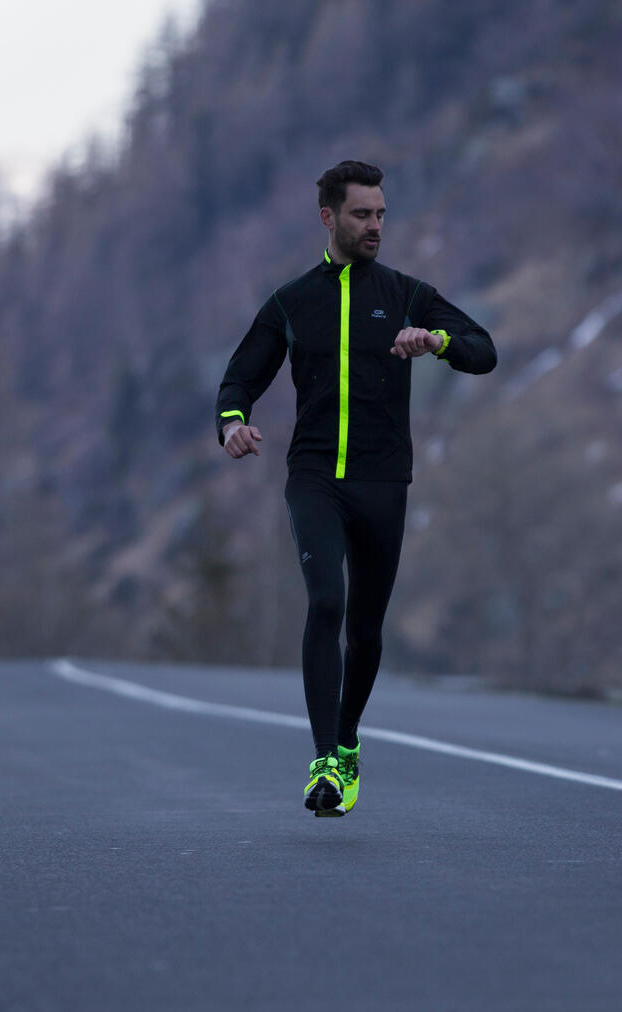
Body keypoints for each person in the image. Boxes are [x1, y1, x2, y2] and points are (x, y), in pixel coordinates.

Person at [215, 160, 496, 817]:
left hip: (381, 479)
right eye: (362, 215)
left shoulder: (404, 293)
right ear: (329, 218)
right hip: (314, 477)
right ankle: (324, 764)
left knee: (367, 630)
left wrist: (439, 339)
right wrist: (233, 423)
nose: (375, 226)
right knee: (327, 603)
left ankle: (345, 745)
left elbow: (484, 349)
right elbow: (239, 377)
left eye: (381, 214)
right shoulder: (292, 301)